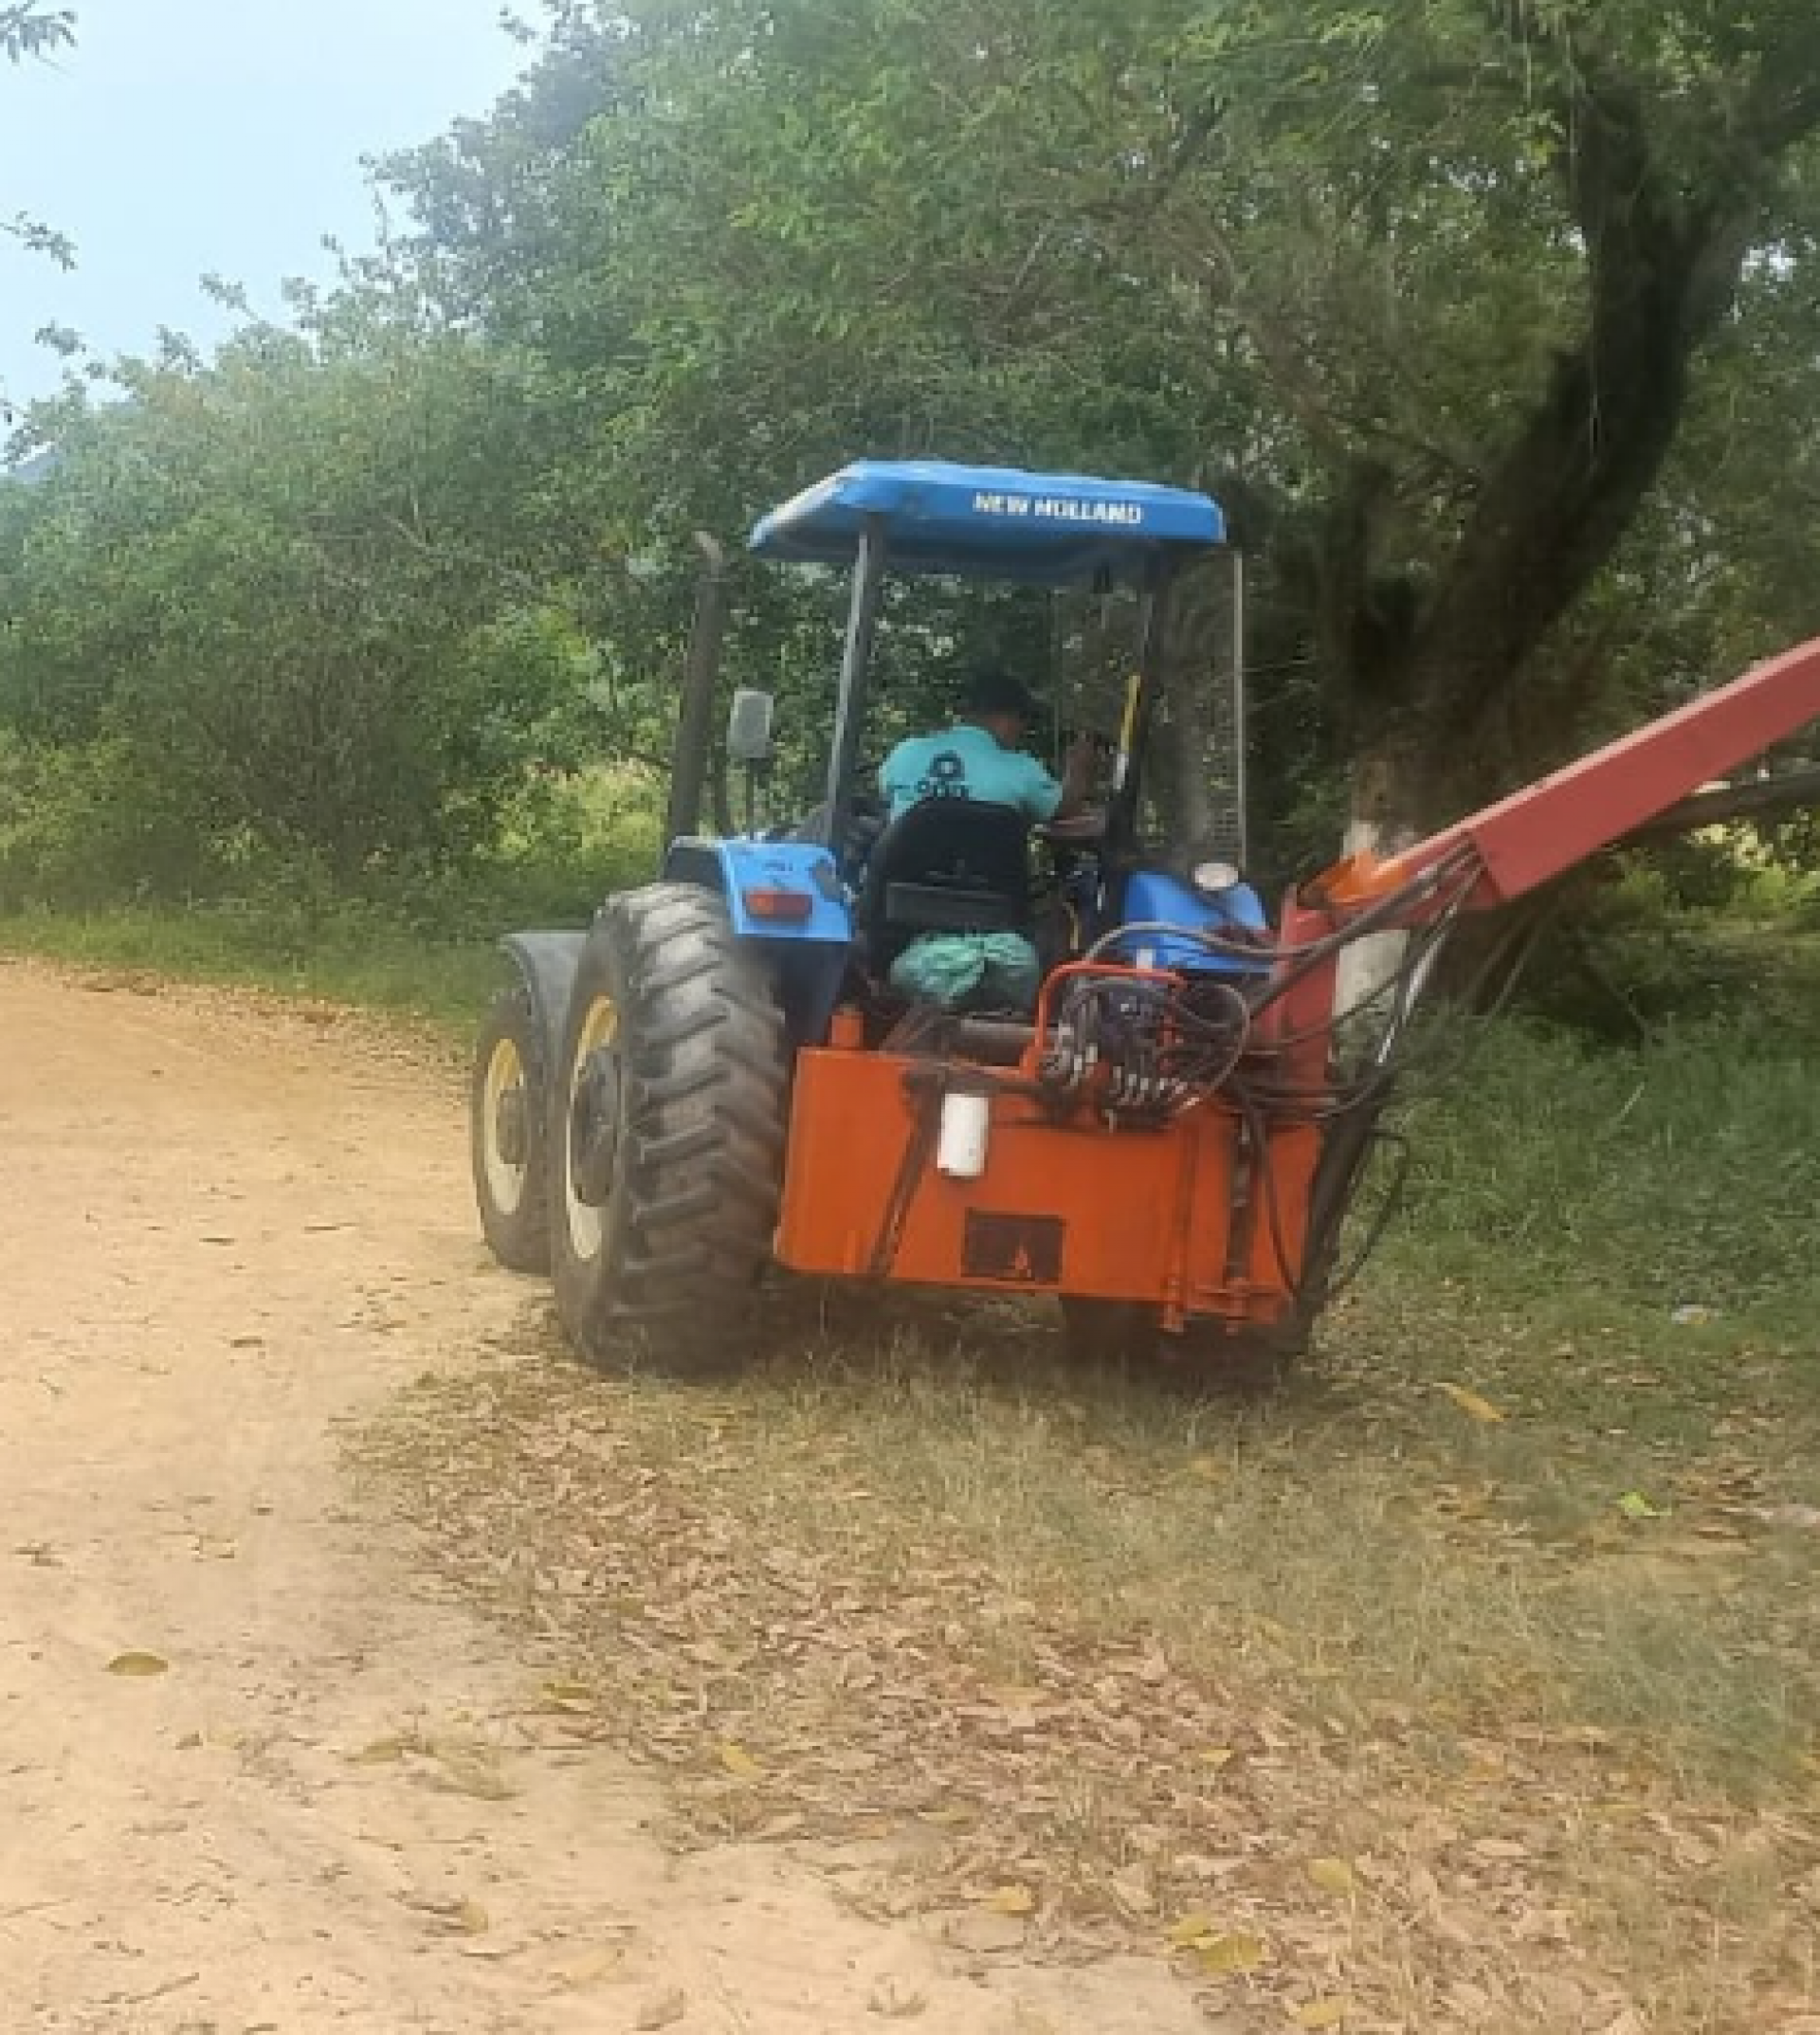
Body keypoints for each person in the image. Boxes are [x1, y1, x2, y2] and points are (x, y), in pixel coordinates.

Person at [879, 671, 1098, 827]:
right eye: (1024, 721)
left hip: (902, 886)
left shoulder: (906, 753)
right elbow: (1063, 811)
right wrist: (1079, 767)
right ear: (1010, 718)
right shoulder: (1020, 770)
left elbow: (885, 794)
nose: (1022, 731)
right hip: (988, 890)